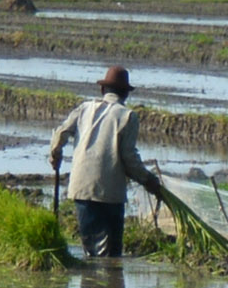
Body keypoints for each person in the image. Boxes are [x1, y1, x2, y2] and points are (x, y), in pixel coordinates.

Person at [48, 66, 170, 259]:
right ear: (125, 94)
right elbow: (129, 158)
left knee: (92, 249)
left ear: (103, 90)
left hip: (82, 187)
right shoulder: (127, 116)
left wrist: (55, 155)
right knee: (110, 254)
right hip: (110, 193)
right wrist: (148, 180)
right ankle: (107, 278)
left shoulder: (84, 109)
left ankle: (93, 277)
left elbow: (60, 133)